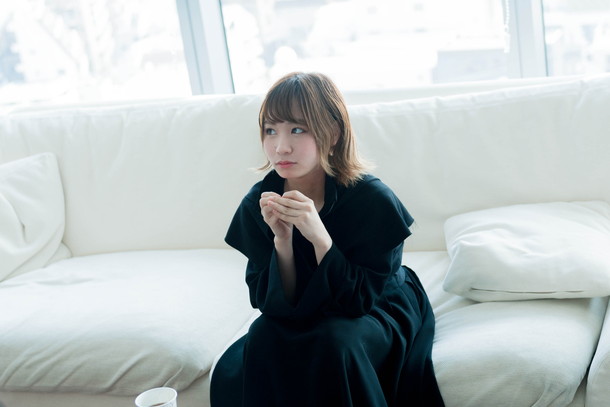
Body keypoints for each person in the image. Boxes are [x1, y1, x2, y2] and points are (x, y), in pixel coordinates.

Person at [210, 72, 444, 407]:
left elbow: (359, 301)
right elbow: (272, 306)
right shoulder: (260, 200)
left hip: (378, 303)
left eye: (298, 130)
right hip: (305, 307)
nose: (281, 147)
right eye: (271, 130)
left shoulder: (371, 198)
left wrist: (319, 237)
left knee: (335, 341)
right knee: (261, 337)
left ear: (332, 134)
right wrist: (282, 242)